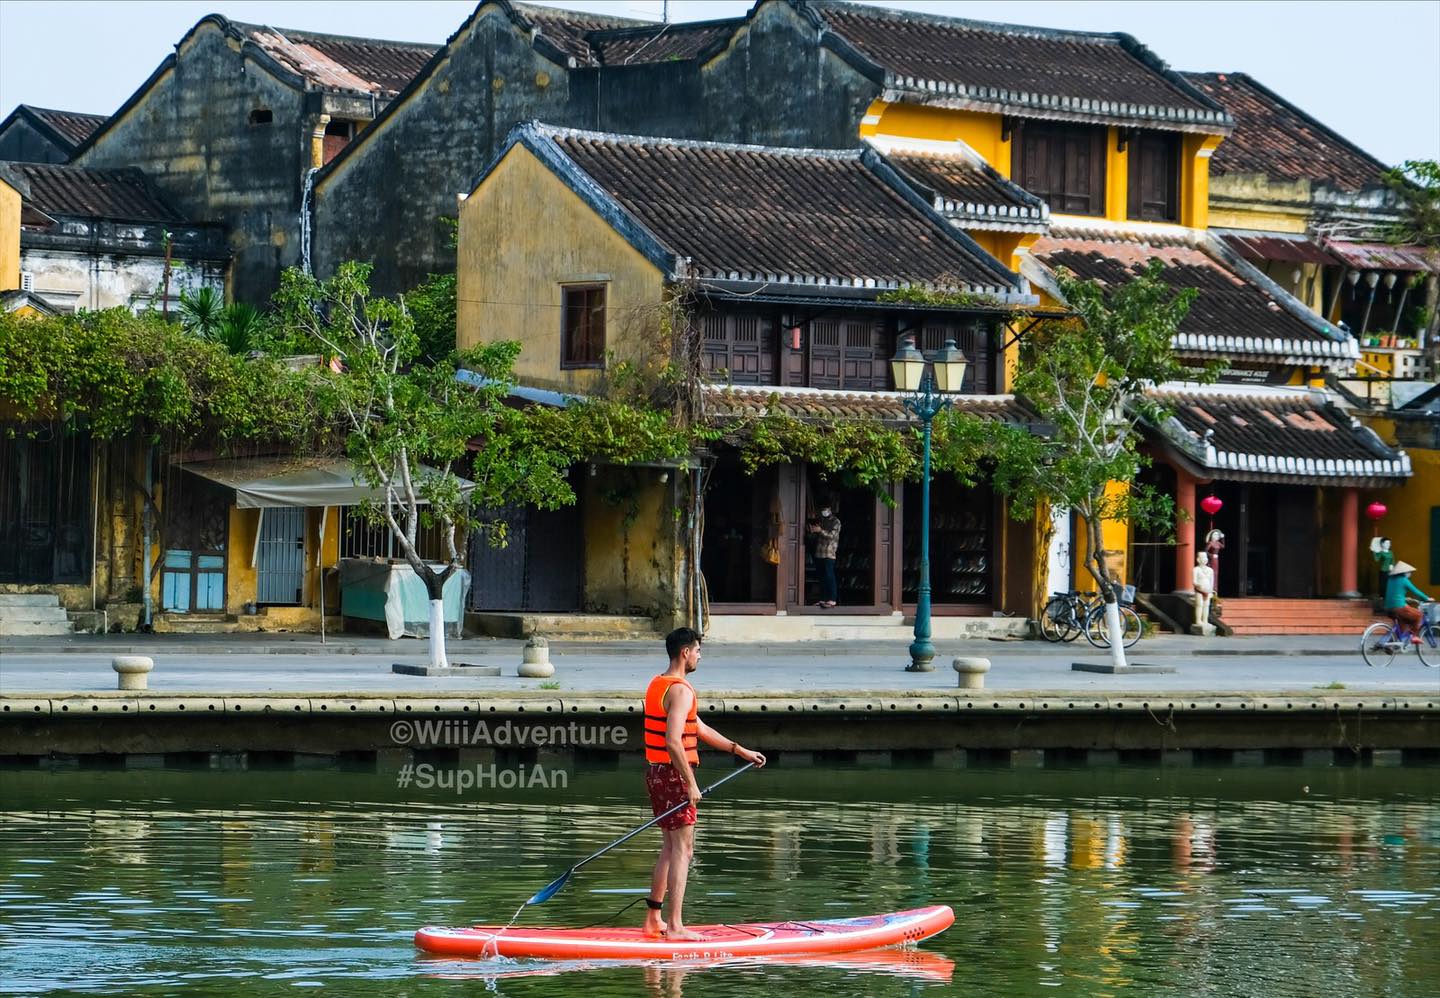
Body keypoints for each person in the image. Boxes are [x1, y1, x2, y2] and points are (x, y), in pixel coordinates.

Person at [642, 627, 766, 940]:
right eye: (697, 650)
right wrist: (690, 782)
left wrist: (740, 751)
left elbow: (698, 727)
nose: (699, 656)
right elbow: (673, 741)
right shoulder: (681, 690)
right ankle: (676, 927)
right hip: (673, 775)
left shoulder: (659, 684)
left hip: (656, 773)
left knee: (670, 847)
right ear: (685, 652)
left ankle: (653, 920)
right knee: (684, 849)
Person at [1383, 561, 1430, 643]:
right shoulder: (1404, 580)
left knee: (1403, 624)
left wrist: (1405, 599)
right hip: (1398, 608)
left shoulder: (1390, 579)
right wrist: (1426, 598)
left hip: (1388, 608)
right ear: (1404, 572)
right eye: (1409, 572)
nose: (1410, 574)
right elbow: (1416, 591)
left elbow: (1394, 593)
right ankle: (1414, 636)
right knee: (1419, 615)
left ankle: (1391, 644)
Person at [807, 502, 841, 608]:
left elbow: (832, 536)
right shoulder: (823, 520)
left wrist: (820, 530)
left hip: (829, 553)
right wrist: (813, 530)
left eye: (825, 509)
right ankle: (823, 598)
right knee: (821, 577)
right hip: (819, 552)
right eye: (822, 509)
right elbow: (819, 534)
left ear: (830, 509)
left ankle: (832, 599)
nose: (823, 511)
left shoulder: (836, 521)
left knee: (829, 576)